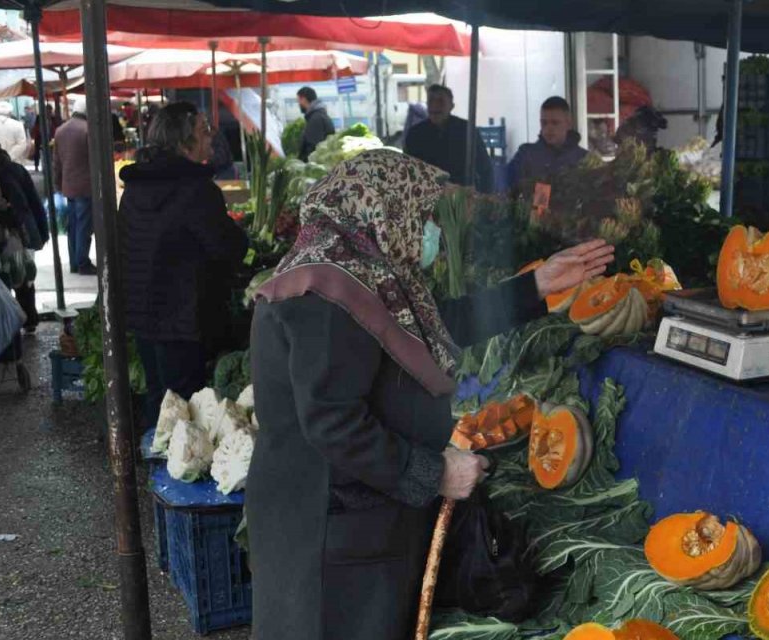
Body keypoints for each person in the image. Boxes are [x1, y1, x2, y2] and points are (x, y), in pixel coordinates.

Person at [247, 148, 613, 640]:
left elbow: (436, 326)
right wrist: (435, 473)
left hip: (348, 525)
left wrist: (535, 285)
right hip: (331, 540)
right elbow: (333, 424)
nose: (429, 229)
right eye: (421, 213)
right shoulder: (327, 295)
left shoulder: (356, 275)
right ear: (383, 207)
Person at [117, 102, 249, 430]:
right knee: (189, 406)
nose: (210, 139)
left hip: (144, 312)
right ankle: (174, 470)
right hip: (185, 315)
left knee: (159, 398)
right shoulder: (196, 190)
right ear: (182, 142)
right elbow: (224, 246)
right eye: (203, 131)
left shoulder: (135, 187)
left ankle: (153, 469)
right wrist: (241, 238)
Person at [0, 121, 48, 333]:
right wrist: (39, 233)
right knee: (22, 277)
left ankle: (9, 324)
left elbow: (22, 202)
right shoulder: (14, 168)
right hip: (15, 232)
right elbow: (34, 203)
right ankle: (28, 319)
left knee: (6, 277)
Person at [403, 85, 492, 192]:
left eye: (441, 101)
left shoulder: (467, 130)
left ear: (451, 106)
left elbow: (485, 169)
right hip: (426, 196)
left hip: (462, 196)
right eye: (431, 100)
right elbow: (407, 172)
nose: (435, 105)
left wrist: (484, 198)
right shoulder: (415, 134)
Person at [506, 96, 588, 192]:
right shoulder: (525, 155)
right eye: (544, 123)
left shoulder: (585, 160)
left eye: (555, 123)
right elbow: (506, 189)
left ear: (568, 124)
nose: (549, 128)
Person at [53, 97, 96, 275]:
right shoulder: (88, 130)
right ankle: (82, 262)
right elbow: (94, 160)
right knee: (84, 226)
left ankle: (74, 262)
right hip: (86, 186)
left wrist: (58, 184)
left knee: (73, 226)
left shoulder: (60, 130)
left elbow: (57, 162)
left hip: (68, 186)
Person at [297, 87, 335, 162]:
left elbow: (314, 148)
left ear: (304, 99)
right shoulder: (319, 115)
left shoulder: (315, 119)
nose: (299, 104)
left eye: (299, 100)